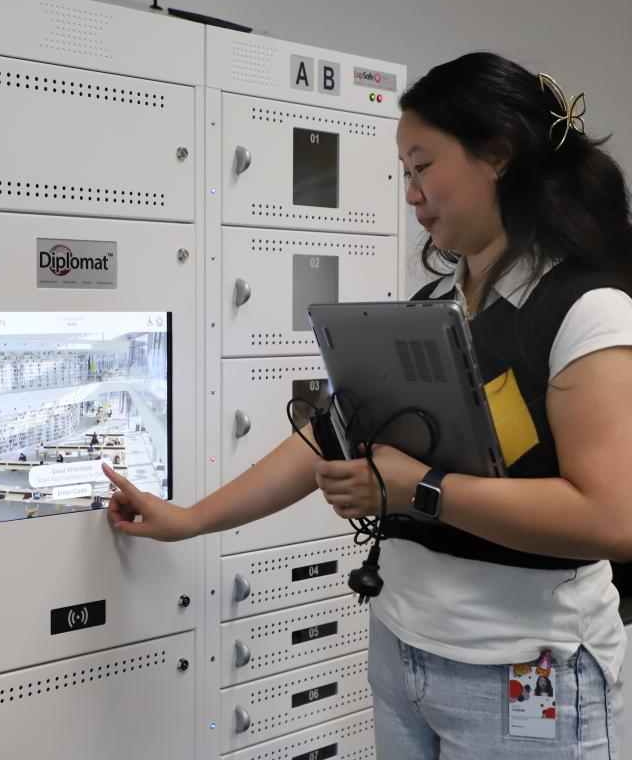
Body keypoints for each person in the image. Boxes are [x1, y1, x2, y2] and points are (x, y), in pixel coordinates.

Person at [102, 52, 632, 759]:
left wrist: (422, 490)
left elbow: (610, 517)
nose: (411, 194)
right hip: (404, 651)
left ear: (497, 155)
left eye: (423, 165)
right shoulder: (433, 311)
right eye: (403, 172)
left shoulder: (585, 310)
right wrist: (194, 519)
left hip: (527, 668)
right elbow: (329, 435)